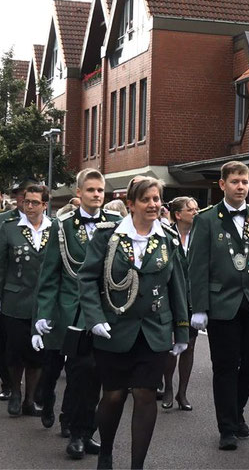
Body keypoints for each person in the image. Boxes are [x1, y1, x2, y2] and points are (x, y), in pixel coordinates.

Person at [78, 176, 190, 470]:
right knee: (113, 397)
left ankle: (137, 465)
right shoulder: (108, 236)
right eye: (146, 200)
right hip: (115, 328)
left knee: (145, 395)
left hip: (154, 330)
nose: (153, 205)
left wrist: (181, 328)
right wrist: (95, 318)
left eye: (157, 199)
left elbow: (176, 284)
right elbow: (87, 279)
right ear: (131, 204)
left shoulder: (167, 237)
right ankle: (105, 453)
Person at [31, 168, 120, 459]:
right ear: (78, 193)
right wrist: (43, 313)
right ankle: (78, 434)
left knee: (98, 376)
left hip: (105, 311)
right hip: (75, 310)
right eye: (91, 190)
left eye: (100, 191)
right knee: (81, 373)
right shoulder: (63, 225)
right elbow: (51, 274)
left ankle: (86, 430)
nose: (97, 195)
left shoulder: (117, 224)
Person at [188, 161, 249, 451]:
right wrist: (198, 306)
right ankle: (227, 426)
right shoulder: (207, 219)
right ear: (222, 185)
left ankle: (236, 410)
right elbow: (197, 265)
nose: (241, 187)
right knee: (225, 366)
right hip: (223, 302)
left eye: (245, 182)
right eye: (235, 181)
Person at [0, 184, 51, 417]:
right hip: (15, 300)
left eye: (35, 202)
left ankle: (30, 400)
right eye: (26, 202)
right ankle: (15, 391)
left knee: (37, 355)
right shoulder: (9, 228)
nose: (29, 206)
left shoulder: (55, 229)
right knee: (15, 351)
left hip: (43, 301)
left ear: (45, 205)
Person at [0, 181, 37, 401]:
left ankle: (32, 392)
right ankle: (8, 384)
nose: (25, 201)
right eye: (22, 196)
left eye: (29, 196)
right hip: (5, 291)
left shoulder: (46, 224)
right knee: (4, 340)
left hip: (33, 295)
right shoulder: (2, 220)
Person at [159, 196, 199, 411]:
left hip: (193, 300)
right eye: (190, 209)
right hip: (171, 299)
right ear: (178, 215)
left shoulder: (200, 236)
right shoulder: (166, 235)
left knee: (189, 347)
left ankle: (183, 392)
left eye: (196, 208)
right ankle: (168, 388)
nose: (195, 212)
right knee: (170, 347)